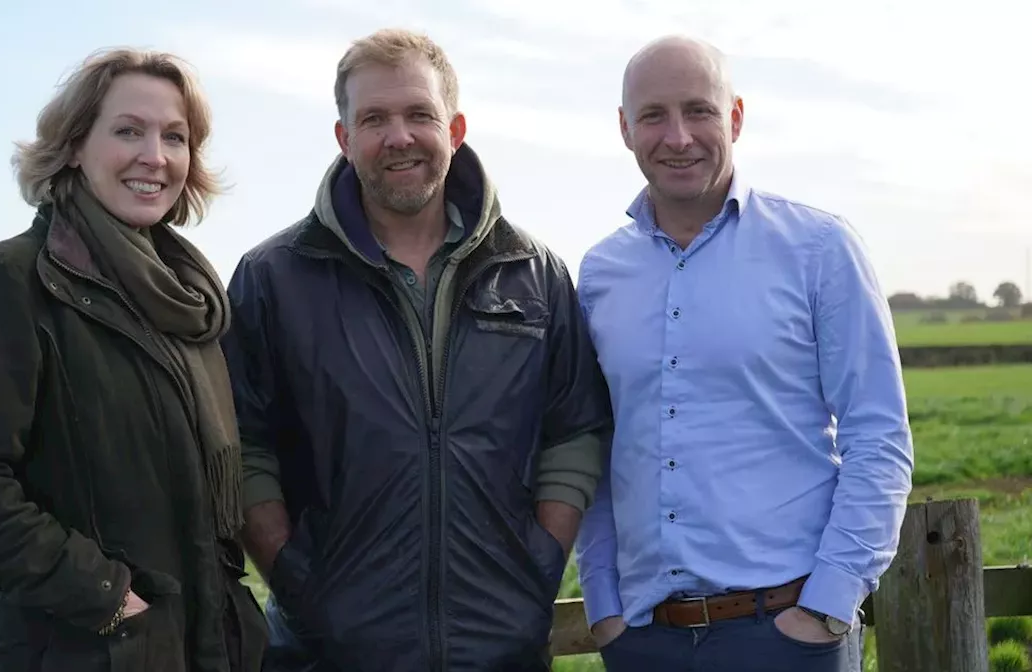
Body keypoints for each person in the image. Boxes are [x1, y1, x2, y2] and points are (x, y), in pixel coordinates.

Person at [220, 28, 612, 672]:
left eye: (419, 115)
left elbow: (573, 428)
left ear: (454, 129)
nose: (398, 137)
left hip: (502, 648)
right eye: (373, 118)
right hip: (328, 651)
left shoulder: (533, 273)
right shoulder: (274, 276)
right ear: (345, 139)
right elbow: (243, 443)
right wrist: (297, 579)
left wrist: (538, 562)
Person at [0, 47, 267, 672]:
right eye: (128, 131)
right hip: (91, 652)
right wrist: (109, 599)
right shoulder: (9, 282)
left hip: (210, 650)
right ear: (75, 145)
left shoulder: (189, 298)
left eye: (175, 137)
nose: (154, 156)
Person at [574, 34, 915, 672]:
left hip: (786, 637)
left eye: (698, 110)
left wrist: (826, 607)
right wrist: (604, 606)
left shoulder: (819, 249)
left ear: (734, 116)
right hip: (646, 641)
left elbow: (879, 435)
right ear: (625, 129)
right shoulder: (599, 275)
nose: (677, 136)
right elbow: (595, 446)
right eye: (653, 115)